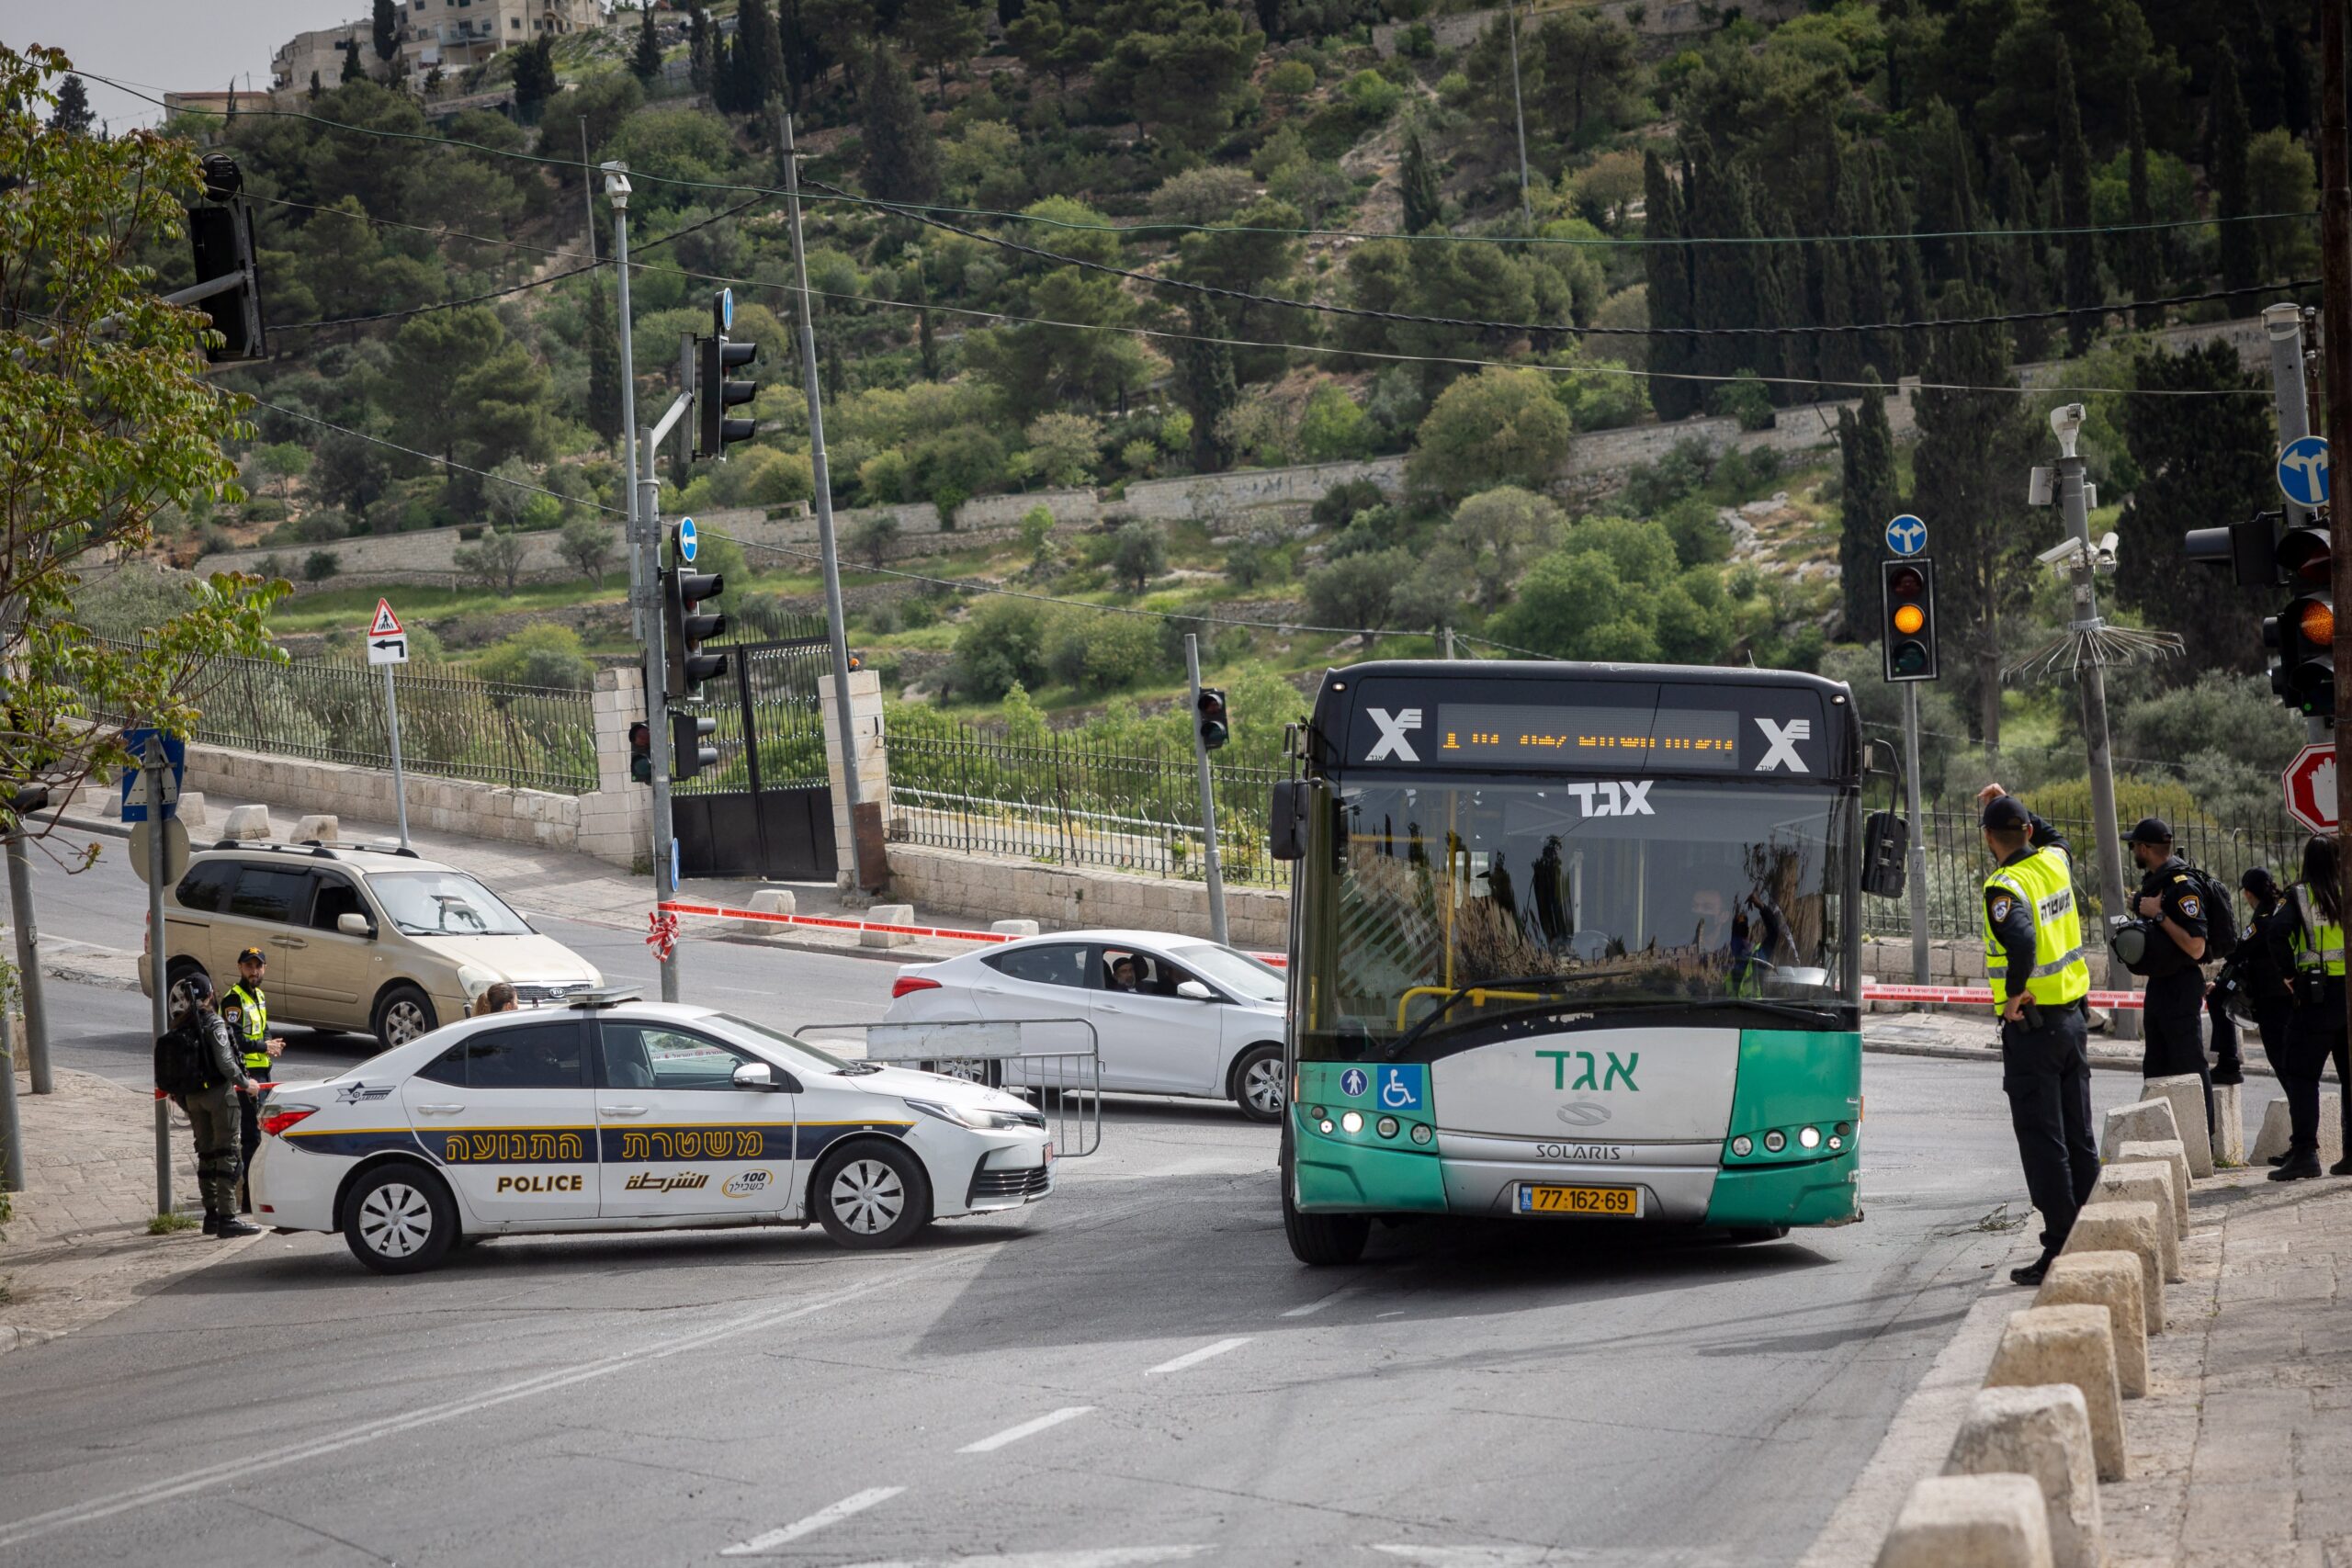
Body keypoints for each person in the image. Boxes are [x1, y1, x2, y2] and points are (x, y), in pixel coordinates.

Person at [1977, 784, 2098, 1287]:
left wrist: (2011, 995)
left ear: (1988, 838)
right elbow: (2054, 835)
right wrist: (2014, 801)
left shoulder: (2004, 886)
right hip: (2073, 1022)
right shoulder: (2054, 862)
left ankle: (2059, 1247)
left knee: (2042, 1140)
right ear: (2026, 830)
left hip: (2034, 1029)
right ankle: (2093, 1232)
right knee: (2078, 1135)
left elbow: (2023, 940)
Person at [2265, 836, 2352, 1182]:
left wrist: (2288, 974)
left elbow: (2275, 932)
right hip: (2348, 997)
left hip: (2315, 997)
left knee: (2302, 1077)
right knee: (2349, 1078)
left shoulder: (2299, 893)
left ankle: (2305, 1155)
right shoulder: (2346, 891)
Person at [2123, 818, 2211, 1134]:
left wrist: (2157, 915)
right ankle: (2162, 1135)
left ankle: (2204, 1138)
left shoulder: (2183, 885)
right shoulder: (2157, 881)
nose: (2132, 850)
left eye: (2134, 845)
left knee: (2187, 1063)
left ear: (2145, 848)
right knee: (2156, 1064)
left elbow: (2197, 947)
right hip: (2160, 984)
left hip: (2181, 985)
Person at [164, 974, 262, 1239]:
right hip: (220, 1096)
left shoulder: (179, 1024)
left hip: (193, 1098)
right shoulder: (214, 1023)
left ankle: (211, 1216)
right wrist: (247, 1083)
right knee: (227, 1155)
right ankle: (228, 1217)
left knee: (206, 1156)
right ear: (209, 996)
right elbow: (226, 1064)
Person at [2232, 869, 2296, 1144]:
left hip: (2273, 1002)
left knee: (2284, 1065)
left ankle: (2302, 1139)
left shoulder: (2263, 918)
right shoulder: (2283, 910)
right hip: (2290, 998)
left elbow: (2239, 949)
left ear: (2248, 893)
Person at [220, 947, 287, 1213]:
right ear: (239, 967)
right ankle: (248, 1200)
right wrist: (263, 1046)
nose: (254, 971)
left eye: (258, 966)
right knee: (250, 1138)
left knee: (260, 1134)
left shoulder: (258, 995)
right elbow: (232, 1038)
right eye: (249, 966)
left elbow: (263, 1027)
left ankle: (255, 1193)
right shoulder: (233, 999)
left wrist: (273, 1044)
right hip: (244, 1075)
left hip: (262, 1074)